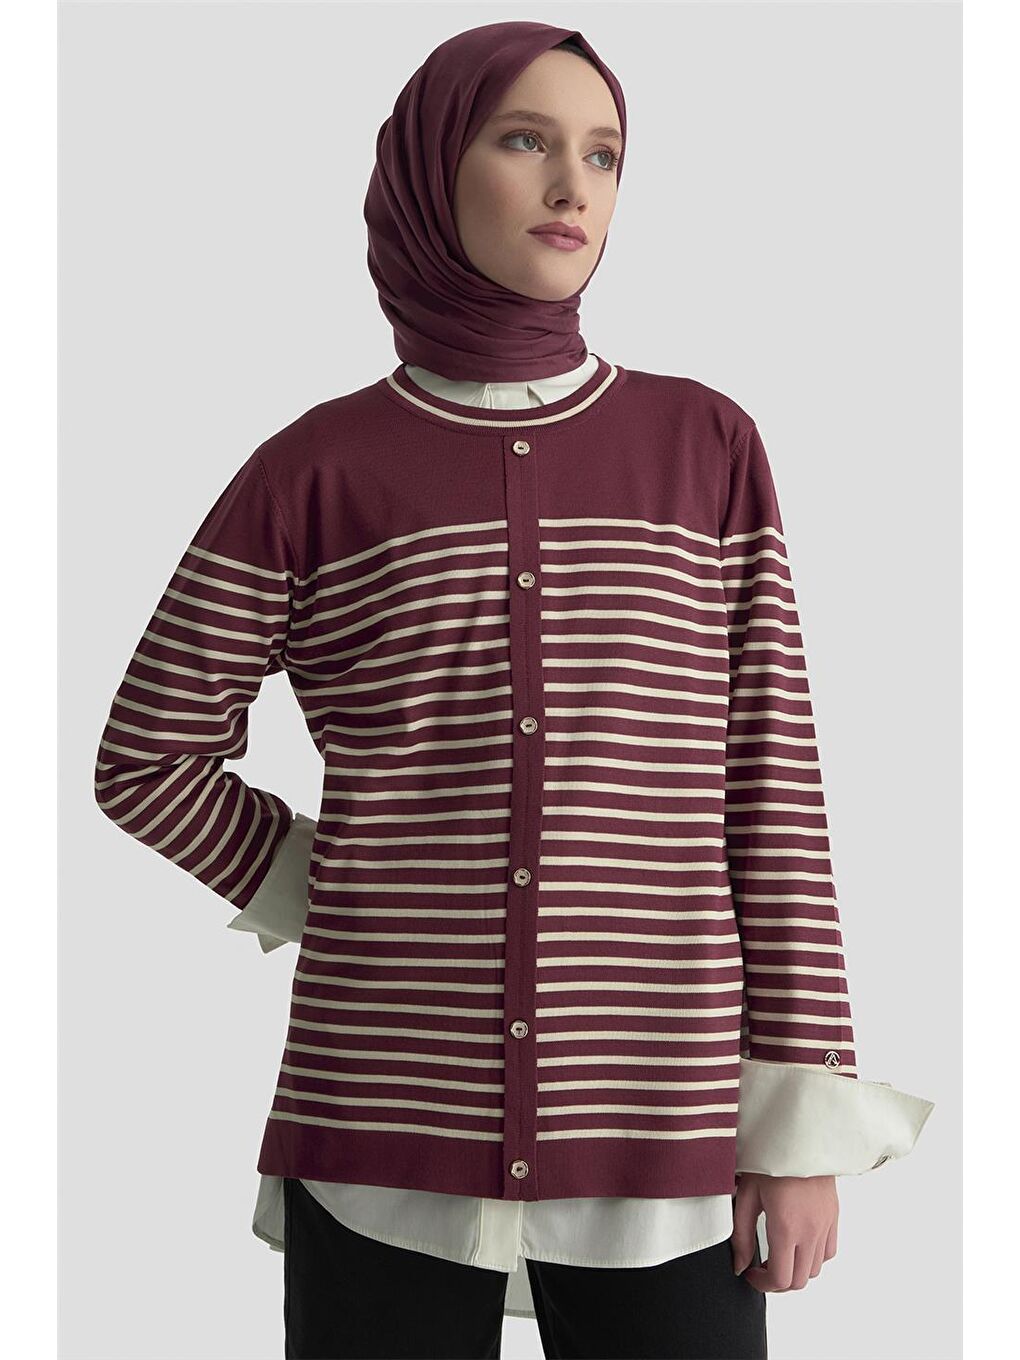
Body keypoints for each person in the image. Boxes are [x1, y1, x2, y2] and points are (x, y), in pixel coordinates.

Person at [93, 20, 934, 1360]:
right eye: (525, 139)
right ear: (434, 168)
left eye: (603, 155)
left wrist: (799, 1127)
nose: (571, 186)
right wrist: (335, 884)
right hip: (381, 1135)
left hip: (663, 1136)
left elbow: (770, 789)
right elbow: (148, 757)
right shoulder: (314, 470)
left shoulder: (705, 447)